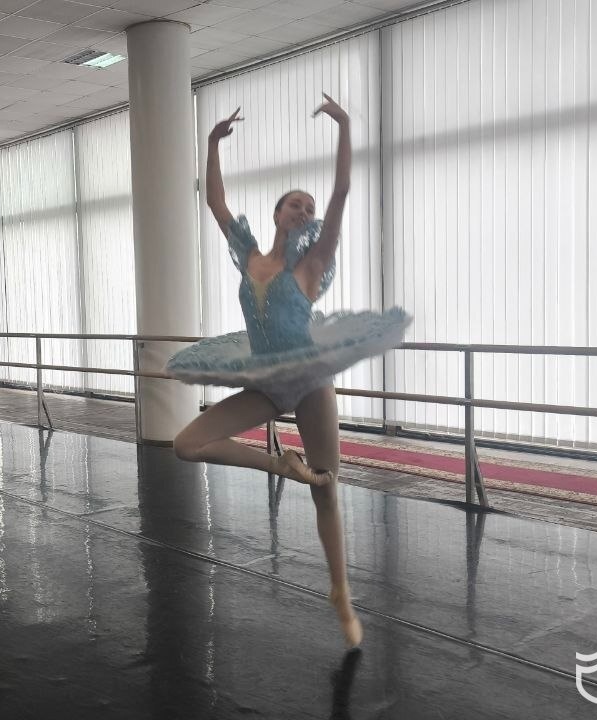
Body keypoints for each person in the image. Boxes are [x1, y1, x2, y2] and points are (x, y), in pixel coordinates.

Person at [168, 96, 411, 647]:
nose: (303, 211)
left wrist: (345, 126)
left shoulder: (312, 264)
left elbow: (341, 193)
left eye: (308, 207)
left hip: (308, 383)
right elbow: (215, 202)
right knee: (186, 444)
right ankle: (280, 465)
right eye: (294, 205)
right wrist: (212, 143)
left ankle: (340, 592)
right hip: (265, 381)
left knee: (327, 488)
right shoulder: (249, 254)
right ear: (277, 214)